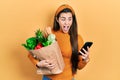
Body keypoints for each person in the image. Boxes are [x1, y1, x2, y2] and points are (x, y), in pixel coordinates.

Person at [28, 4, 90, 80]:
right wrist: (38, 63)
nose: (67, 23)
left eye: (69, 19)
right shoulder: (49, 33)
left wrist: (85, 60)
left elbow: (79, 66)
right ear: (57, 19)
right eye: (63, 19)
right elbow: (31, 54)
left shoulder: (77, 38)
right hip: (48, 78)